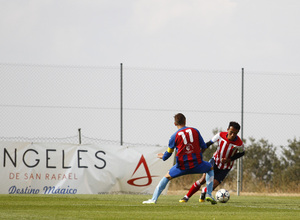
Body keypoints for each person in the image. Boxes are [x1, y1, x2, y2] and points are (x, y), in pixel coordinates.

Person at [143, 113, 217, 204]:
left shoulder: (173, 137)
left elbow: (168, 155)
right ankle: (209, 194)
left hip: (181, 166)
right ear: (185, 121)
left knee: (166, 177)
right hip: (197, 164)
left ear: (174, 124)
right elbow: (204, 146)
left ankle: (153, 199)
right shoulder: (195, 131)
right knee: (210, 168)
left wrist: (162, 156)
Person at [179, 121, 245, 203]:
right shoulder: (220, 135)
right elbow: (209, 144)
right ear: (227, 129)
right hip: (215, 161)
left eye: (235, 133)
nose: (233, 135)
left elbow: (242, 153)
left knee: (213, 186)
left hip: (226, 167)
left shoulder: (239, 143)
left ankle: (204, 191)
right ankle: (186, 197)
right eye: (231, 132)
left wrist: (229, 159)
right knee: (203, 180)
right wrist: (199, 152)